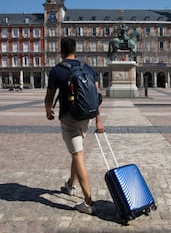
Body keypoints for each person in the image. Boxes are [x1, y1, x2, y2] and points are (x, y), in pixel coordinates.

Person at [44, 37, 104, 215]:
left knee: (78, 155)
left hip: (69, 118)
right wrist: (98, 120)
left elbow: (49, 97)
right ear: (75, 50)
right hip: (87, 117)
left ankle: (88, 202)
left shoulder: (57, 71)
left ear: (61, 52)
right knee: (76, 151)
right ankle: (70, 184)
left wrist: (48, 110)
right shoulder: (87, 68)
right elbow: (96, 94)